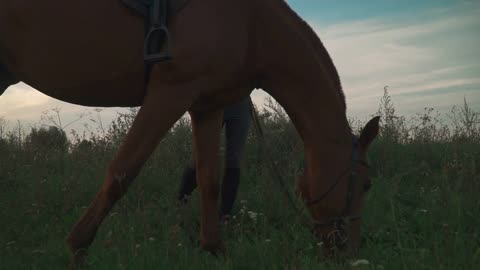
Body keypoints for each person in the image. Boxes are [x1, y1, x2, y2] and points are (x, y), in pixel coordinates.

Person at [178, 97, 252, 219]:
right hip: (215, 100)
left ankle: (225, 215)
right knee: (200, 156)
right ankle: (181, 203)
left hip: (241, 102)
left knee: (234, 160)